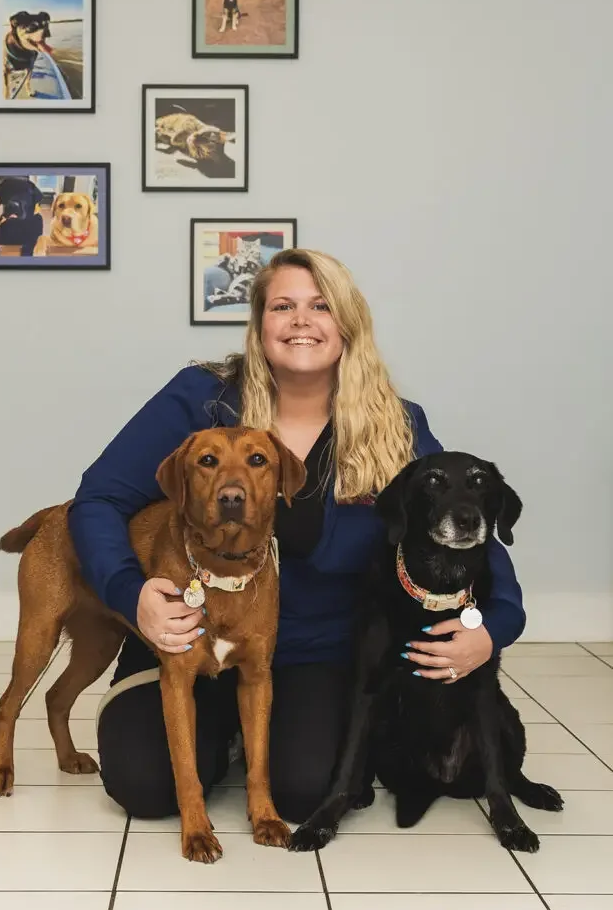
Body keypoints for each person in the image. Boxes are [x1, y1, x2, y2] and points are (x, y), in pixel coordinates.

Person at [67, 248, 526, 823]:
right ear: (260, 324)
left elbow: (461, 529)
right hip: (186, 632)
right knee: (145, 787)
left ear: (348, 323)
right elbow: (98, 499)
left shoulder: (396, 423)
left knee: (307, 792)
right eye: (283, 306)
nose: (301, 320)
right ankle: (222, 734)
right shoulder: (201, 398)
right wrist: (130, 592)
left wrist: (496, 626)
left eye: (321, 306)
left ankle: (252, 733)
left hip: (313, 651)